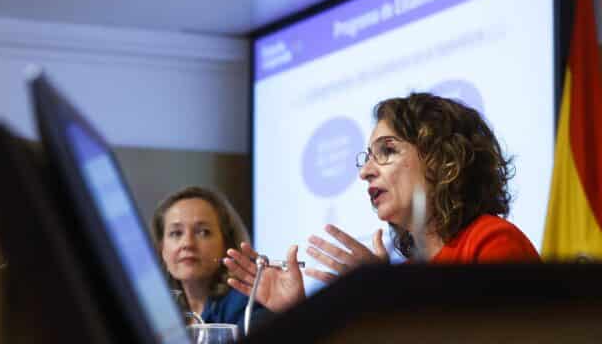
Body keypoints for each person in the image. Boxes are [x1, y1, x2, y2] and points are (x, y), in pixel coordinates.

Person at [223, 92, 541, 312]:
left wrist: (385, 295)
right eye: (367, 157)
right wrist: (298, 313)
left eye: (387, 151)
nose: (364, 172)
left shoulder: (493, 241)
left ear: (442, 160)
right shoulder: (413, 273)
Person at [151, 186, 266, 331]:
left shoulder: (247, 303)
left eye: (203, 232)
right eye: (176, 233)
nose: (187, 243)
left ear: (227, 243)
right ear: (162, 248)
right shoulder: (157, 308)